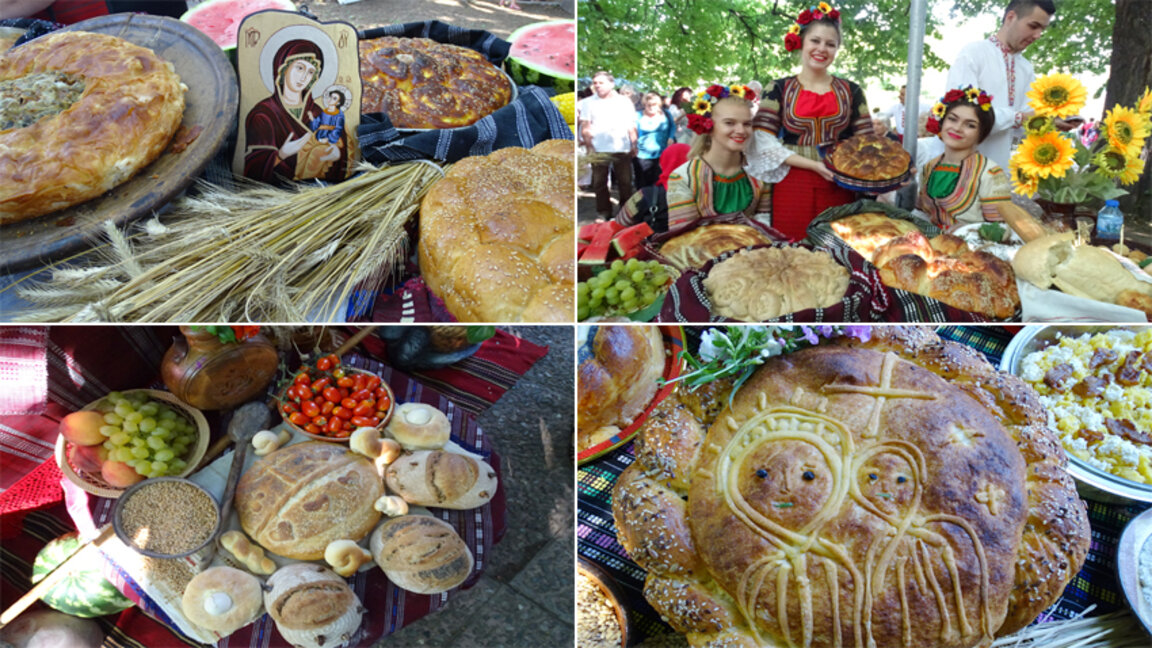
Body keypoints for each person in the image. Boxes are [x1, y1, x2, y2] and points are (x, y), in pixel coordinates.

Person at [747, 2, 874, 242]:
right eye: (815, 41)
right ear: (802, 42)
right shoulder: (778, 88)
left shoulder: (852, 91)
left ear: (837, 49)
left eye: (830, 44)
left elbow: (867, 143)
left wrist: (891, 174)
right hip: (791, 181)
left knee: (837, 250)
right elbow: (761, 139)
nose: (822, 49)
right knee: (793, 252)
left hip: (840, 183)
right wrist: (813, 165)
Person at [619, 84, 772, 239]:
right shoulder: (683, 178)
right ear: (709, 126)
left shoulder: (759, 174)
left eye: (747, 123)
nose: (741, 130)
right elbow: (687, 240)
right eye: (729, 123)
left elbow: (764, 225)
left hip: (753, 256)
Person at [946, 0, 1076, 172]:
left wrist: (1052, 120)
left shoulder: (1026, 68)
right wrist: (1019, 117)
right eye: (1033, 26)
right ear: (1010, 17)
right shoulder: (974, 53)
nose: (1037, 35)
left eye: (1041, 29)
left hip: (1000, 173)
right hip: (961, 172)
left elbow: (1024, 128)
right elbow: (962, 116)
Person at [915, 85, 1044, 239]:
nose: (957, 128)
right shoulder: (930, 167)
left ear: (981, 134)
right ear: (941, 122)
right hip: (931, 247)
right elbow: (923, 212)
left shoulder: (989, 173)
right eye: (952, 119)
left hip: (974, 255)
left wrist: (973, 229)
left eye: (970, 125)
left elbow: (1003, 229)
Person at [242, 39, 346, 184]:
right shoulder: (263, 114)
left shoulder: (316, 111)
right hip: (276, 194)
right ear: (283, 69)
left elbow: (340, 148)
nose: (304, 77)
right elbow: (251, 171)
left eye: (310, 72)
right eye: (299, 68)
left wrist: (336, 154)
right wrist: (281, 154)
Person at [579, 71, 638, 220]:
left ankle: (625, 211)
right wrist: (589, 146)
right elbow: (586, 125)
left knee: (625, 182)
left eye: (601, 82)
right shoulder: (588, 102)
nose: (597, 86)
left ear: (612, 84)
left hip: (621, 147)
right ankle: (603, 211)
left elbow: (631, 125)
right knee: (599, 182)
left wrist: (634, 143)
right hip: (598, 148)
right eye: (595, 83)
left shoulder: (624, 102)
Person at [633, 92, 676, 190]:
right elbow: (633, 132)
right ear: (644, 105)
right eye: (648, 105)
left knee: (661, 181)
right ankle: (645, 203)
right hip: (643, 154)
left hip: (663, 153)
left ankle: (659, 203)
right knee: (644, 184)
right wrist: (634, 146)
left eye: (654, 105)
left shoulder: (666, 113)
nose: (651, 107)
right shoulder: (638, 115)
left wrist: (671, 137)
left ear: (659, 104)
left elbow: (672, 126)